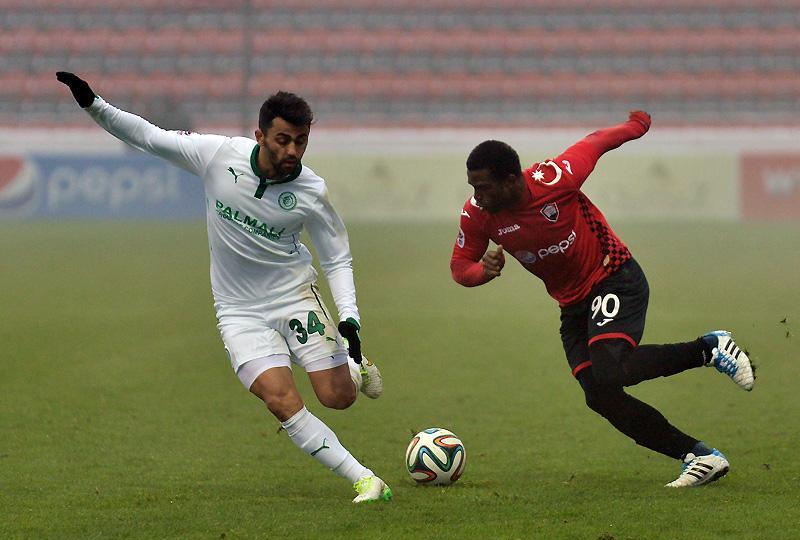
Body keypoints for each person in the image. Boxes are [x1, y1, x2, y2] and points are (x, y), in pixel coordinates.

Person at [56, 71, 392, 504]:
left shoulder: (311, 190)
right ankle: (365, 479)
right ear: (260, 135)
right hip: (239, 311)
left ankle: (353, 365)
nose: (292, 151)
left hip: (294, 297)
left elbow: (336, 257)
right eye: (283, 140)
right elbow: (149, 137)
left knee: (338, 397)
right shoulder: (217, 155)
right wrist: (93, 104)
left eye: (301, 141)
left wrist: (349, 317)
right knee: (280, 400)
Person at [450, 110, 754, 488]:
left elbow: (595, 143)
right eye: (473, 187)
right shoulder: (478, 215)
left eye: (483, 188)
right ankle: (699, 456)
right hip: (572, 305)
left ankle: (709, 348)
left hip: (614, 277)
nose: (476, 196)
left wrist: (636, 124)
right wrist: (484, 271)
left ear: (511, 180)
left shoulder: (555, 178)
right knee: (599, 393)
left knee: (611, 369)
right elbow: (460, 266)